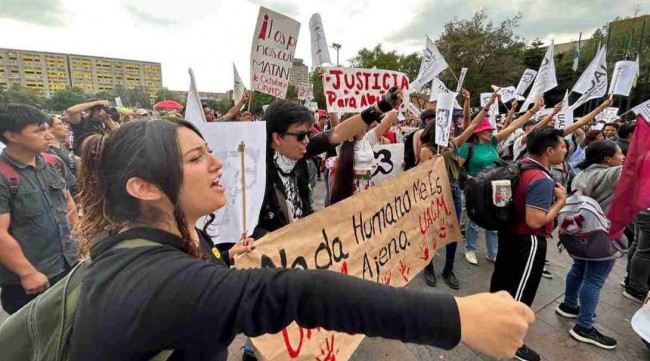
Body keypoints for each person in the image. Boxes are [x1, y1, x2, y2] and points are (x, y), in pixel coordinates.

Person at [69, 118, 536, 361]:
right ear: (144, 187)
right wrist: (455, 318)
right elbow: (299, 292)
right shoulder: (153, 278)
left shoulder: (152, 248)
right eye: (196, 157)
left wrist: (228, 263)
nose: (216, 164)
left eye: (209, 150)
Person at [253, 88, 403, 238]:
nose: (306, 140)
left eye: (308, 134)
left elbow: (337, 133)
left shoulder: (300, 155)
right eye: (301, 135)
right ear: (277, 138)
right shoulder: (254, 176)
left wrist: (381, 106)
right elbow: (250, 232)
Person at [490, 127, 568, 361]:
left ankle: (493, 326)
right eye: (563, 146)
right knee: (521, 291)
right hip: (528, 241)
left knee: (502, 282)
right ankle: (510, 342)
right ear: (549, 150)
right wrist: (561, 202)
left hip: (509, 234)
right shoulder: (541, 179)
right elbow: (535, 221)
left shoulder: (520, 165)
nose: (565, 150)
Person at [0, 105, 78, 314]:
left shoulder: (53, 163)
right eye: (39, 130)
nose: (48, 135)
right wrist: (27, 273)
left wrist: (79, 239)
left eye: (46, 128)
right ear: (12, 135)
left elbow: (68, 202)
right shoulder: (3, 175)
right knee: (34, 339)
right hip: (31, 280)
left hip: (67, 265)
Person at [418, 90, 492, 289]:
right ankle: (429, 267)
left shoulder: (453, 144)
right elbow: (424, 177)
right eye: (447, 128)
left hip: (454, 192)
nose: (451, 130)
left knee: (453, 232)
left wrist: (487, 106)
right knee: (432, 232)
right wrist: (433, 163)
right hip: (434, 195)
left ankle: (449, 269)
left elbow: (474, 125)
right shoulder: (427, 150)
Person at [458, 96, 544, 266]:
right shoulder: (466, 147)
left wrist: (533, 110)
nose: (491, 132)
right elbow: (457, 168)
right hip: (476, 189)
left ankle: (492, 252)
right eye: (488, 130)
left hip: (497, 187)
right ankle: (470, 249)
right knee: (475, 221)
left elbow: (514, 126)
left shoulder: (494, 142)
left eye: (492, 130)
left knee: (496, 220)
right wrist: (469, 179)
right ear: (478, 132)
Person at [555, 140, 625, 350]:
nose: (622, 158)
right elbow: (636, 167)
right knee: (594, 280)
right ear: (607, 159)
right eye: (620, 154)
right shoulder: (610, 174)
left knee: (578, 268)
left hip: (579, 233)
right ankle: (584, 327)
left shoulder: (581, 174)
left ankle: (569, 305)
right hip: (600, 236)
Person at [329, 111, 397, 204]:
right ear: (349, 126)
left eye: (365, 123)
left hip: (367, 187)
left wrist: (395, 102)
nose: (364, 127)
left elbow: (389, 118)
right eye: (360, 125)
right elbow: (335, 122)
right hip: (347, 189)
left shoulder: (368, 139)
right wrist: (332, 106)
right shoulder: (342, 141)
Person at [46, 116, 79, 196]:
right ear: (49, 129)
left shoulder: (61, 147)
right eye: (60, 124)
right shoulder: (49, 152)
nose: (66, 126)